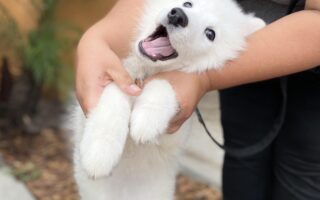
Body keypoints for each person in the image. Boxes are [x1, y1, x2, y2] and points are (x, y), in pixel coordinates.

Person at [75, 0, 320, 199]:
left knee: (303, 164)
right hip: (241, 25)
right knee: (244, 149)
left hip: (296, 38)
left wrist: (204, 80)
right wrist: (98, 37)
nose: (179, 13)